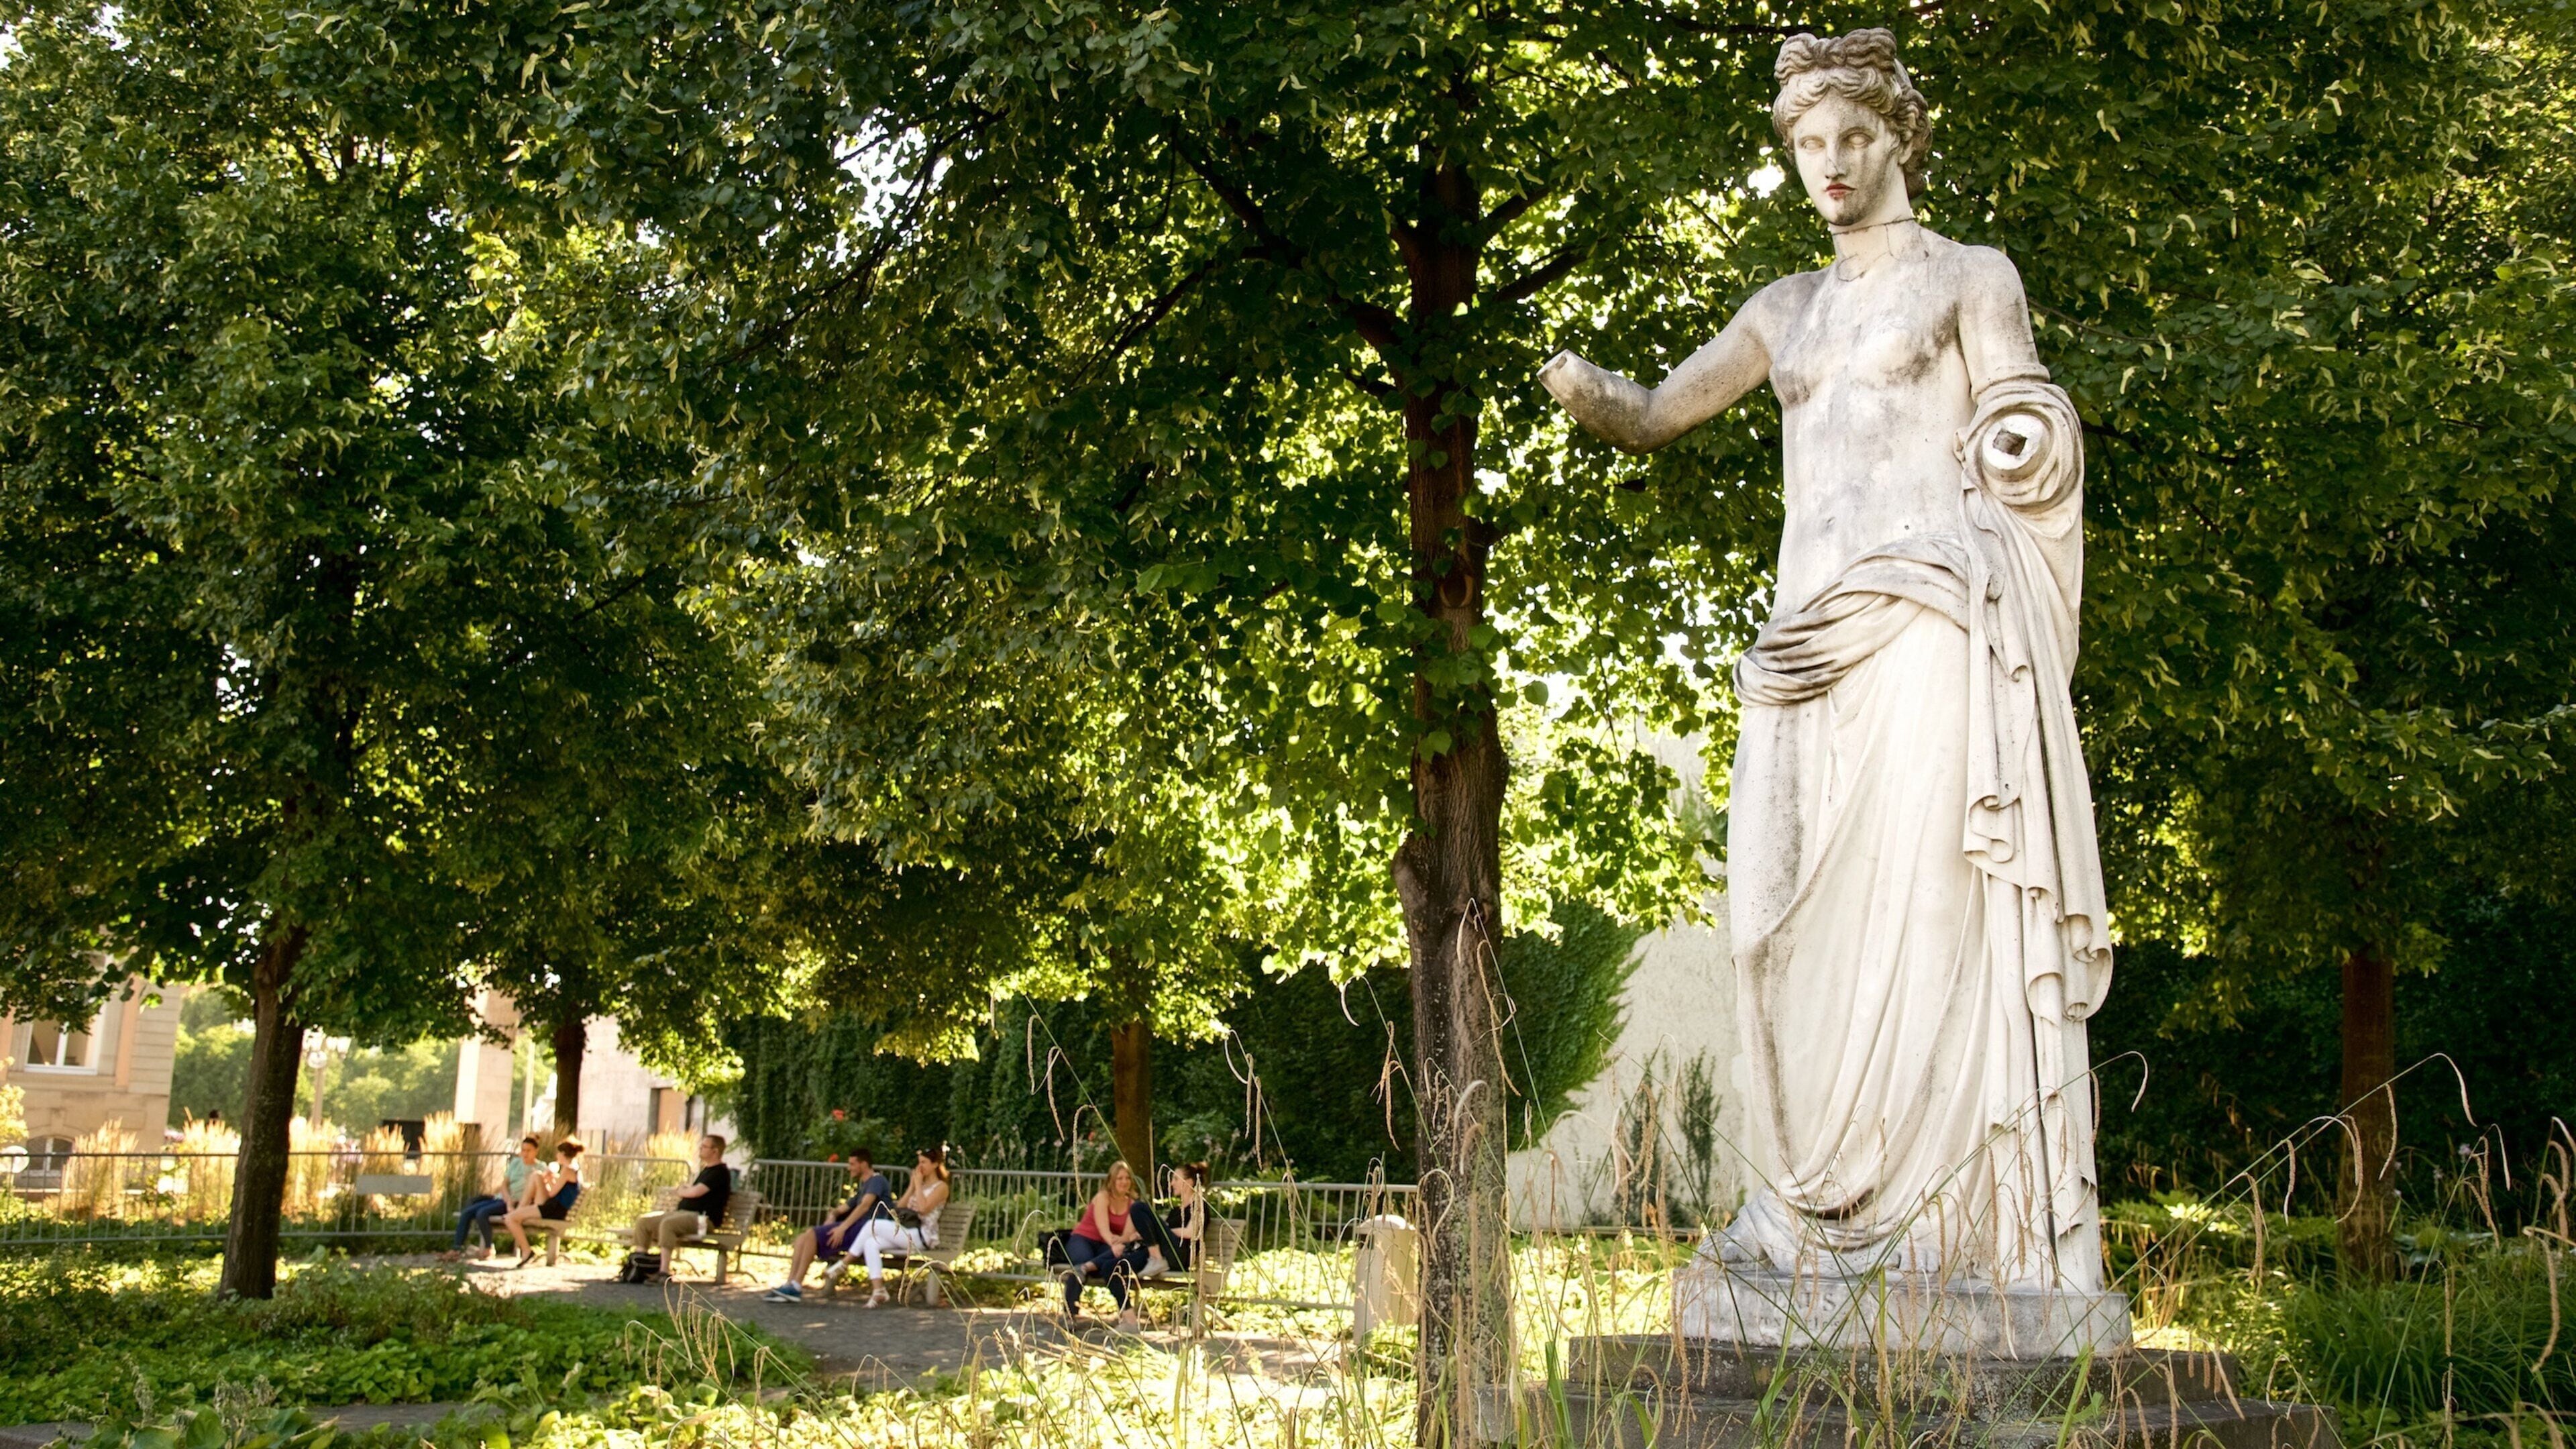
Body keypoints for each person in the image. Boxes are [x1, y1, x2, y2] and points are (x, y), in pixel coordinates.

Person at [1539, 28, 2112, 1293]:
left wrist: (2021, 447)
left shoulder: (1969, 276)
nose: (1831, 165)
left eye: (1852, 136)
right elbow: (1657, 414)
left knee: (1927, 910)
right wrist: (1588, 391)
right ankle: (1811, 1212)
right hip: (1804, 648)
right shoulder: (1783, 311)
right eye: (1807, 145)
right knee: (1765, 931)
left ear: (1899, 135)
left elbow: (2022, 409)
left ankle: (1953, 1231)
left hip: (1923, 619)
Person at [763, 1148, 890, 1301]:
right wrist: (833, 1215)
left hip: (865, 1229)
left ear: (863, 1164)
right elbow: (844, 1208)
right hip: (855, 1227)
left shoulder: (877, 1181)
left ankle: (796, 1285)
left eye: (852, 1164)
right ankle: (790, 1283)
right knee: (803, 1237)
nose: (849, 1168)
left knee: (812, 1234)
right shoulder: (864, 1185)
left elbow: (864, 1206)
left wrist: (842, 1228)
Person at [839, 1146, 953, 1307]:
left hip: (924, 1236)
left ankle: (844, 1263)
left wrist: (919, 1186)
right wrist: (913, 1187)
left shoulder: (941, 1187)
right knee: (870, 1243)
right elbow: (899, 1207)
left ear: (935, 1165)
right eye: (919, 1163)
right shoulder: (920, 1185)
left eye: (924, 1163)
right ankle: (878, 1290)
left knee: (875, 1224)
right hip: (908, 1232)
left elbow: (923, 1209)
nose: (920, 1167)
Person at [626, 1134, 734, 1282]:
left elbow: (695, 1192)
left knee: (669, 1224)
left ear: (715, 1151)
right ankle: (639, 1266)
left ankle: (664, 1272)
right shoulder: (706, 1170)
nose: (700, 1149)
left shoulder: (720, 1172)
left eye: (704, 1147)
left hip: (703, 1219)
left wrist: (682, 1191)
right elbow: (691, 1190)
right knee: (644, 1222)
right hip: (684, 1214)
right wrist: (686, 1190)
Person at [1059, 1160, 1150, 1329]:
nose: (1124, 1182)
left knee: (1112, 1263)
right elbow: (1103, 1228)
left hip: (1108, 1244)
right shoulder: (1102, 1197)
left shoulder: (1132, 1204)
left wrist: (1122, 1242)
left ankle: (1125, 1315)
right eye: (1119, 1178)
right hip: (1085, 1238)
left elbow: (1126, 1236)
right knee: (1081, 1263)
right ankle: (1069, 1314)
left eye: (1127, 1178)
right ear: (1112, 1181)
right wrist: (1114, 1244)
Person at [444, 1135, 541, 1260]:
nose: (525, 1154)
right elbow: (504, 1185)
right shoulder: (516, 1163)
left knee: (482, 1213)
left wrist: (512, 1204)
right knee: (468, 1212)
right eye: (523, 1150)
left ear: (536, 1151)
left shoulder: (540, 1168)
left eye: (529, 1151)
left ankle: (489, 1248)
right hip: (504, 1199)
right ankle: (456, 1248)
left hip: (519, 1203)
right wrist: (508, 1200)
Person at [502, 1136, 585, 1267]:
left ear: (563, 1154)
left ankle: (526, 1251)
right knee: (537, 1175)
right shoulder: (574, 1169)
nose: (557, 1156)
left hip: (554, 1209)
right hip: (556, 1207)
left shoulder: (567, 1170)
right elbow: (558, 1190)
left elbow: (552, 1193)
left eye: (558, 1153)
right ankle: (518, 1212)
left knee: (510, 1219)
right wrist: (549, 1178)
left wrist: (549, 1179)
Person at [1136, 1161, 1206, 1277]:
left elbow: (1190, 1232)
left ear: (1189, 1182)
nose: (1172, 1183)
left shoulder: (1199, 1206)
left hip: (1180, 1256)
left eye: (1176, 1179)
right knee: (1116, 1263)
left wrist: (1162, 1231)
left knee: (1139, 1207)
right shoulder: (1176, 1210)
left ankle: (1157, 1259)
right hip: (1168, 1252)